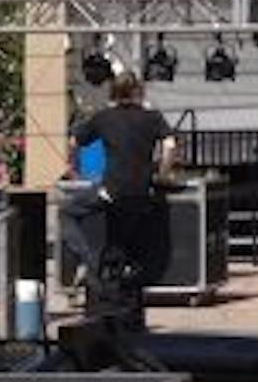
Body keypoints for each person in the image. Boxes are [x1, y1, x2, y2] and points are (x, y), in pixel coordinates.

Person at [72, 70, 179, 325]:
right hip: (141, 193)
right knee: (131, 248)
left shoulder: (104, 117)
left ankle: (85, 262)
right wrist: (163, 174)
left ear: (113, 92)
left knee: (70, 212)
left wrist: (73, 170)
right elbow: (171, 145)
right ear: (138, 91)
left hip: (112, 192)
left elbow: (75, 140)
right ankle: (130, 310)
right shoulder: (151, 117)